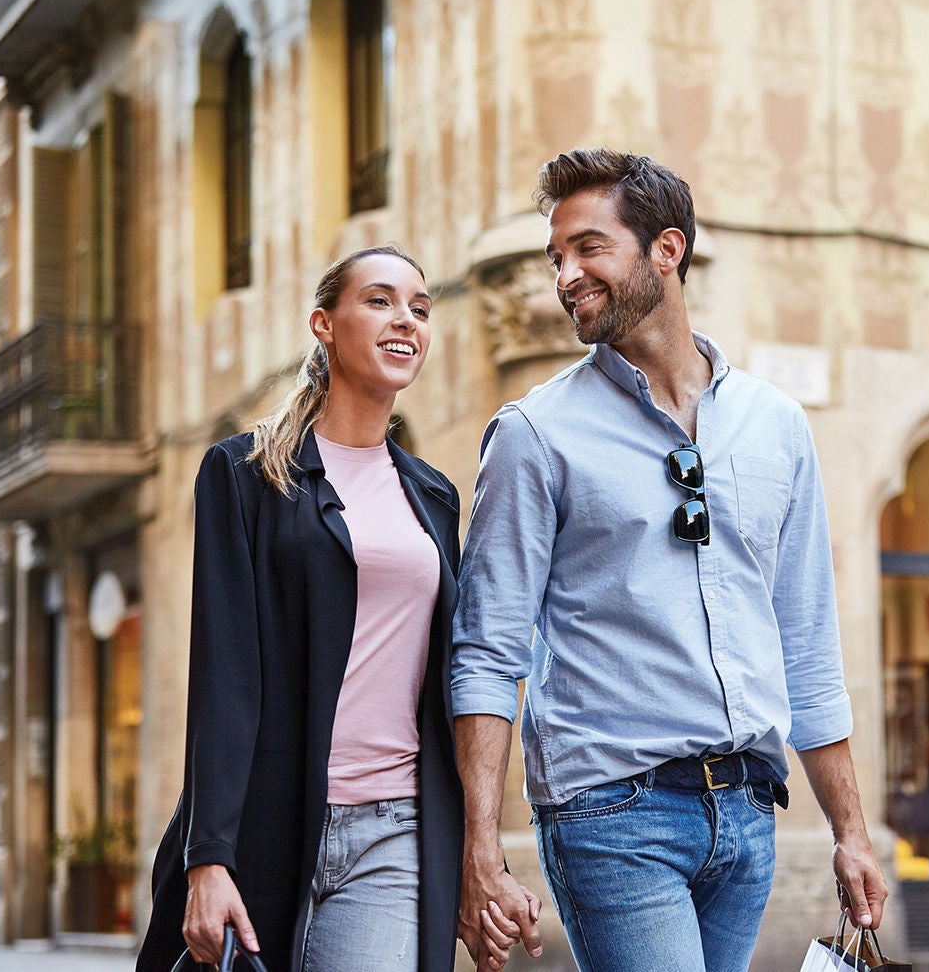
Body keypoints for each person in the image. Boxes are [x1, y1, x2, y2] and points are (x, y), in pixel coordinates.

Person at [450, 149, 888, 972]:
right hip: (612, 814)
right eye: (556, 258)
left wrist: (851, 832)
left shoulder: (777, 425)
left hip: (750, 812)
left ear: (667, 250)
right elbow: (485, 653)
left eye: (588, 247)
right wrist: (481, 852)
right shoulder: (534, 435)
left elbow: (807, 643)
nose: (565, 276)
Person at [137, 247, 522, 972]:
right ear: (324, 324)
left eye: (419, 306)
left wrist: (475, 854)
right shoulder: (245, 474)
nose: (405, 318)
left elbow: (455, 674)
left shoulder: (433, 495)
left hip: (395, 831)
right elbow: (226, 674)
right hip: (266, 823)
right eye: (379, 301)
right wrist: (207, 857)